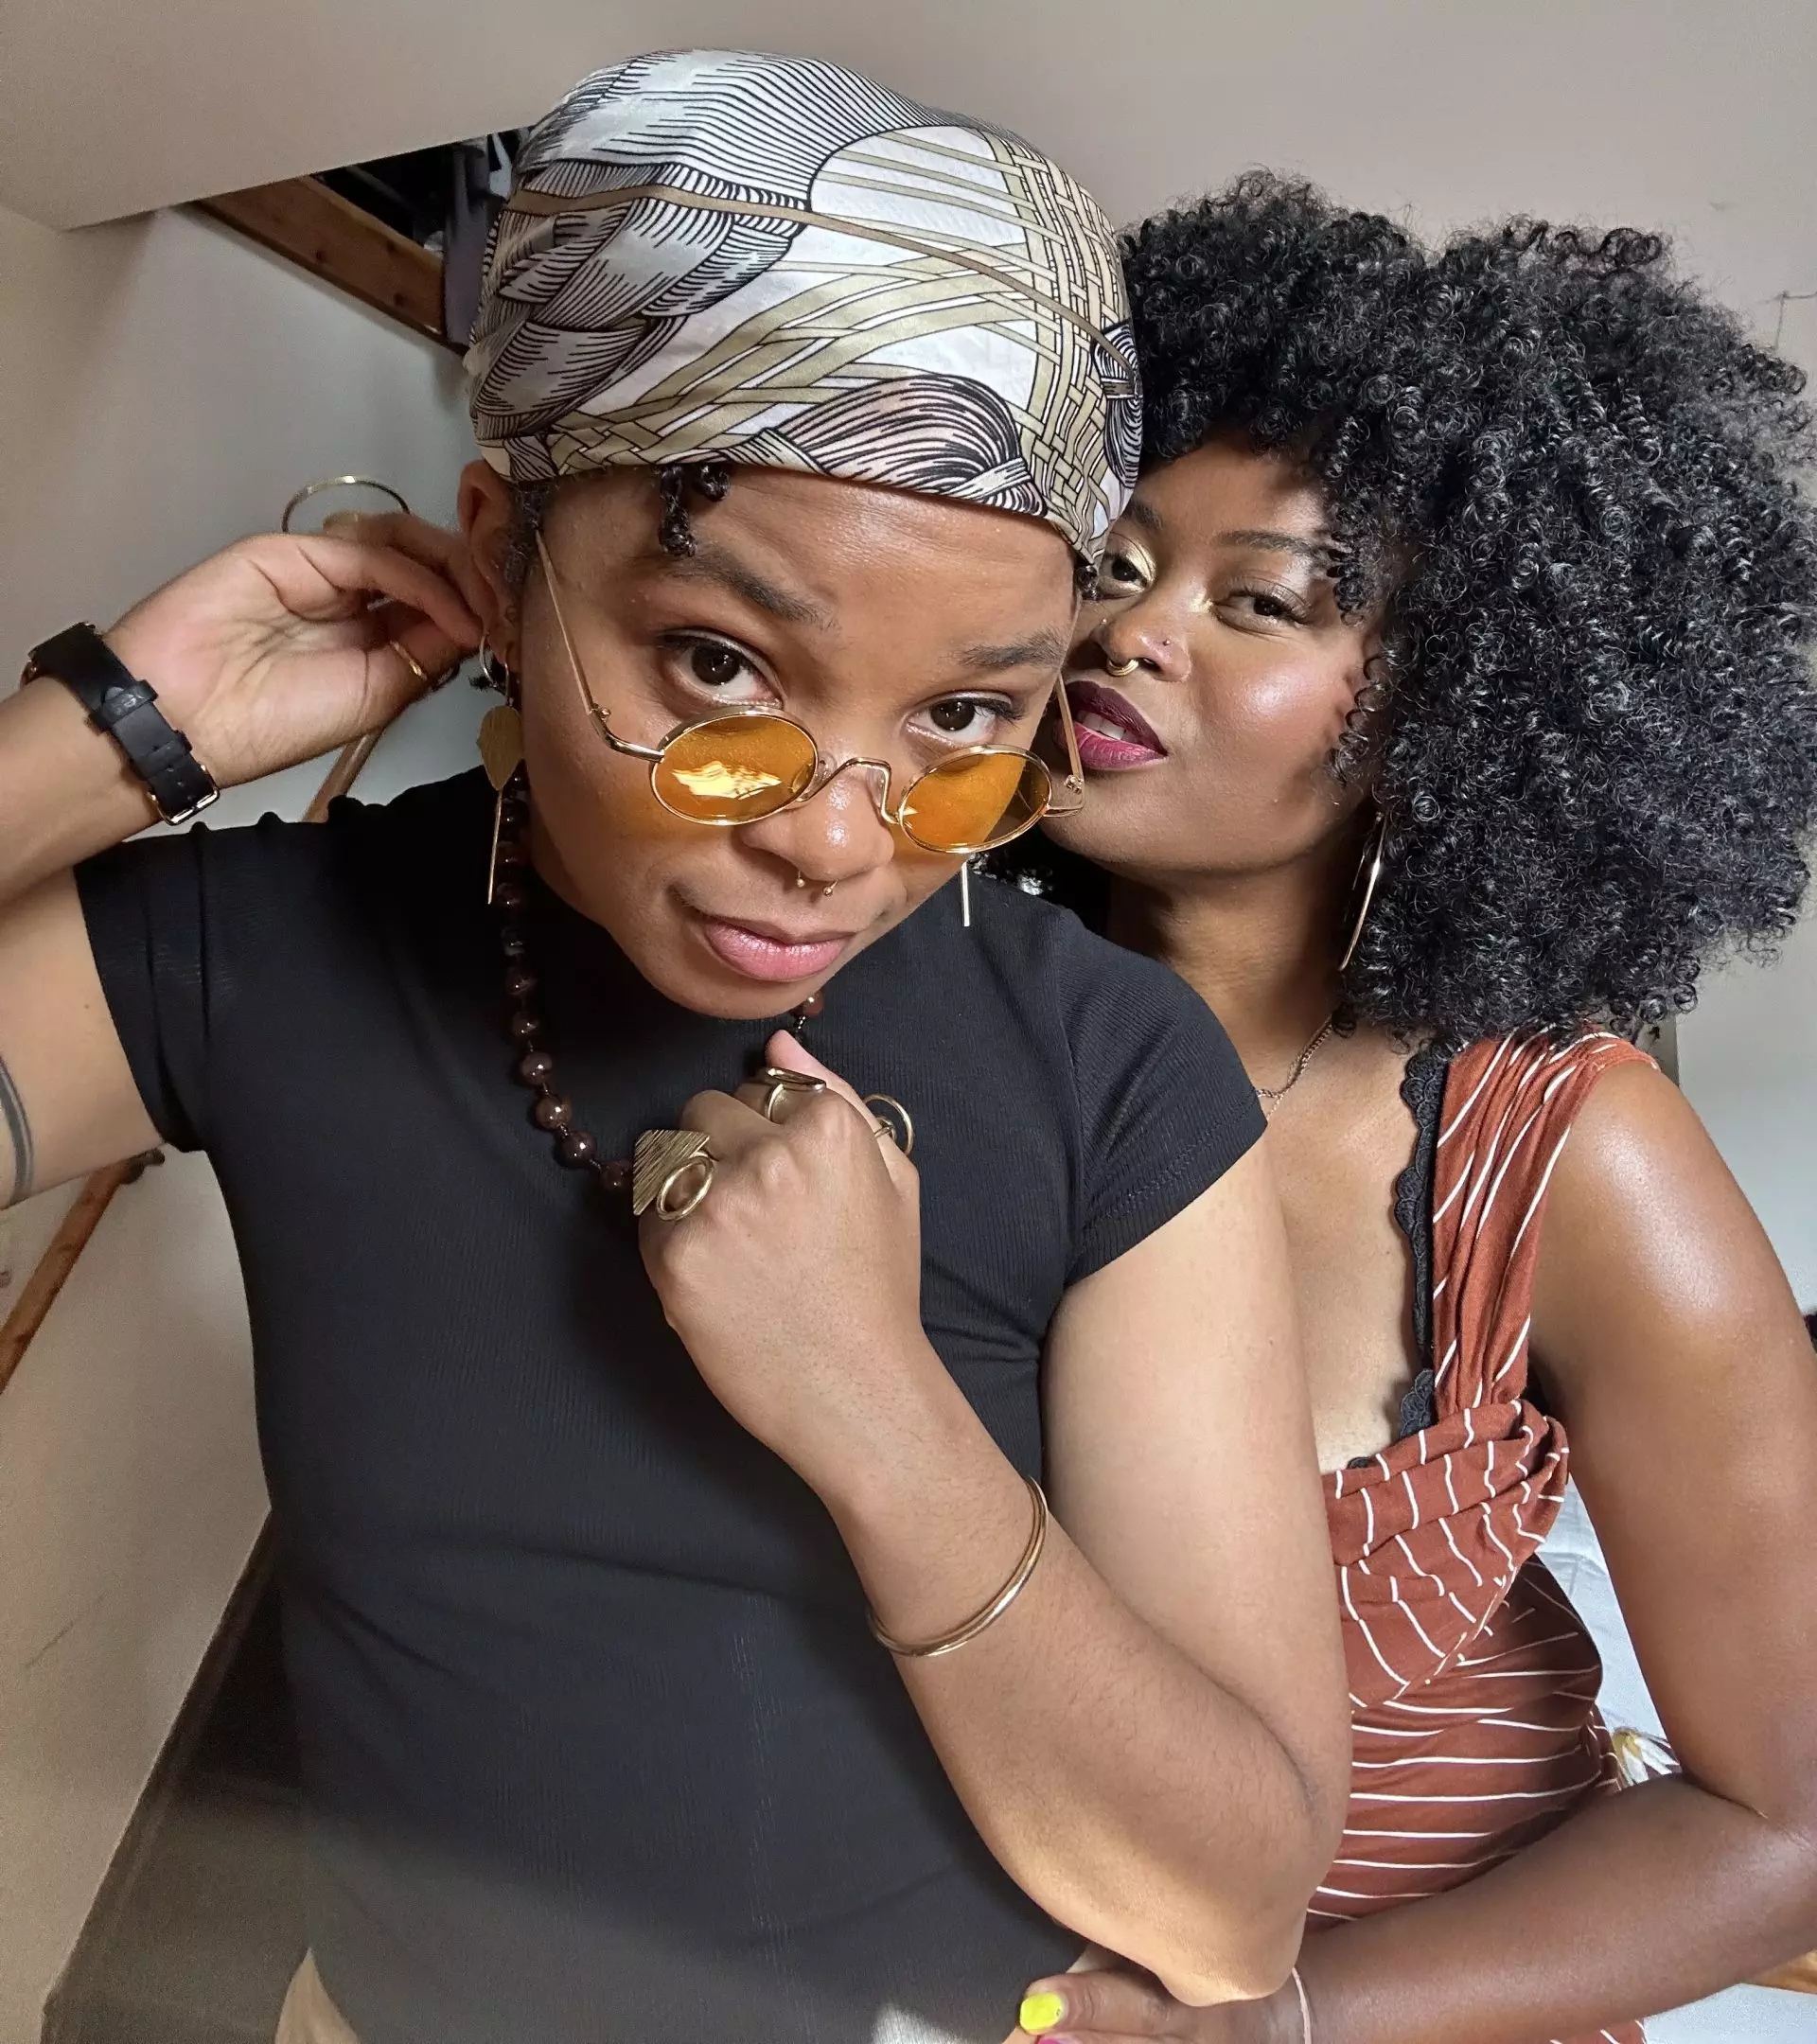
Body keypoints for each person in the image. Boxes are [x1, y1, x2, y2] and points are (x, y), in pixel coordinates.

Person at [0, 61, 1349, 2044]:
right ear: (498, 557)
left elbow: (1233, 1918)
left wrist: (877, 1414)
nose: (829, 832)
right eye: (722, 667)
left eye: (966, 723)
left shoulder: (1109, 1070)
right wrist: (114, 726)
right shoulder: (270, 950)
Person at [1009, 176, 1817, 2044]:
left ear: (1448, 722)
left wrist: (1284, 2026)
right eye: (1113, 566)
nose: (1133, 634)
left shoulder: (1566, 1152)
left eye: (1262, 602)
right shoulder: (922, 1040)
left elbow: (1784, 1820)